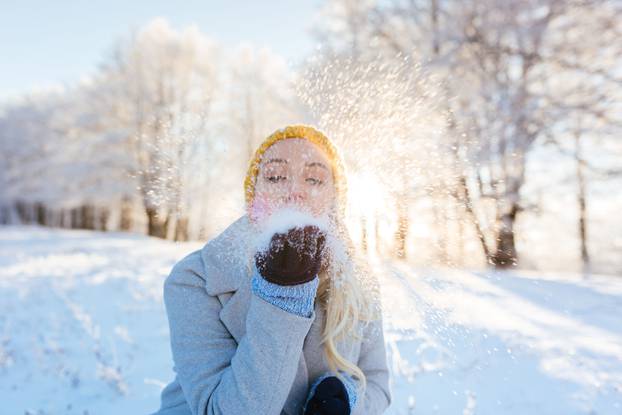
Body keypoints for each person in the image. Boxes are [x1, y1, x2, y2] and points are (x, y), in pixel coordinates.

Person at [152, 125, 392, 415]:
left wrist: (347, 400)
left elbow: (377, 383)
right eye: (276, 177)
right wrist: (282, 296)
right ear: (254, 200)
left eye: (314, 179)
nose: (295, 192)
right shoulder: (197, 279)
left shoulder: (359, 284)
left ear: (333, 202)